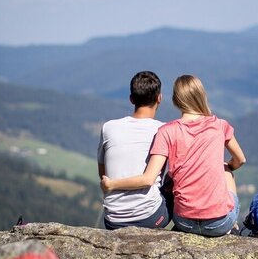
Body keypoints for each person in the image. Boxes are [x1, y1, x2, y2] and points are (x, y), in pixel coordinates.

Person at [102, 74, 246, 237]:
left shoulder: (166, 131)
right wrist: (227, 167)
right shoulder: (220, 125)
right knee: (226, 170)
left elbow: (150, 176)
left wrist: (112, 184)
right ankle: (232, 227)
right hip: (218, 223)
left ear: (176, 100)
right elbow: (241, 159)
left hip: (183, 222)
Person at [97, 70, 172, 230]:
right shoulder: (164, 130)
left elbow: (103, 175)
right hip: (150, 218)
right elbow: (151, 179)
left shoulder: (108, 127)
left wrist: (113, 185)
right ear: (159, 98)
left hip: (113, 221)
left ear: (131, 99)